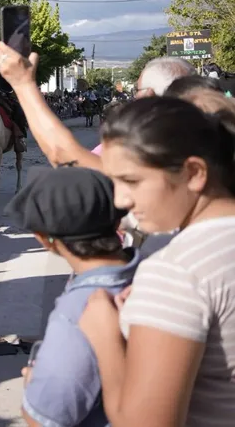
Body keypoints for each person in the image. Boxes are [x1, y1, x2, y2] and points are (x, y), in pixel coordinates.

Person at [79, 96, 235, 425]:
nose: (120, 200)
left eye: (132, 181)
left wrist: (105, 336)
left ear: (194, 173)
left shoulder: (176, 270)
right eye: (114, 182)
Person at [8, 166, 138, 427]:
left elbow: (42, 419)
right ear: (115, 224)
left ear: (43, 238)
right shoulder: (157, 271)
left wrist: (32, 384)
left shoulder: (77, 314)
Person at [0, 44, 195, 170]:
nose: (135, 98)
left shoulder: (142, 150)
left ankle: (18, 136)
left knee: (16, 114)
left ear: (148, 95)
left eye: (137, 91)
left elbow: (63, 153)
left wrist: (23, 84)